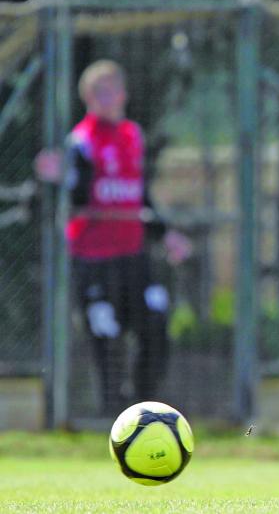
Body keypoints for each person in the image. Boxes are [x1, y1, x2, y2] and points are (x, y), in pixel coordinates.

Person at [35, 60, 191, 415]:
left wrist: (166, 235)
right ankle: (112, 417)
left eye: (112, 88)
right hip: (94, 260)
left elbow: (139, 197)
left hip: (133, 258)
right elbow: (73, 199)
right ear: (87, 97)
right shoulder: (80, 142)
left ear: (123, 93)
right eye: (98, 91)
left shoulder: (133, 135)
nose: (107, 97)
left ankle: (146, 408)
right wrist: (58, 180)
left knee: (155, 323)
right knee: (105, 336)